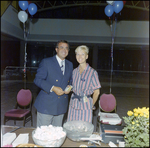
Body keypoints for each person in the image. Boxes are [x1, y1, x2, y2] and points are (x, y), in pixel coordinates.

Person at [34, 40, 73, 127]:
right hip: (46, 105)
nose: (64, 50)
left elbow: (70, 80)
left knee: (57, 134)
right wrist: (53, 88)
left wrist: (69, 87)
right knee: (43, 135)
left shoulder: (70, 65)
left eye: (66, 48)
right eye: (61, 47)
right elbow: (37, 80)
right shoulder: (46, 62)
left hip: (61, 105)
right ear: (56, 49)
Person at [67, 45, 101, 123]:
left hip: (86, 106)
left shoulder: (93, 72)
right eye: (78, 54)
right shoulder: (74, 71)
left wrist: (91, 105)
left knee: (84, 130)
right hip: (73, 105)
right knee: (72, 128)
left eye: (82, 54)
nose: (80, 56)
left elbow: (97, 92)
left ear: (86, 56)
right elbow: (73, 86)